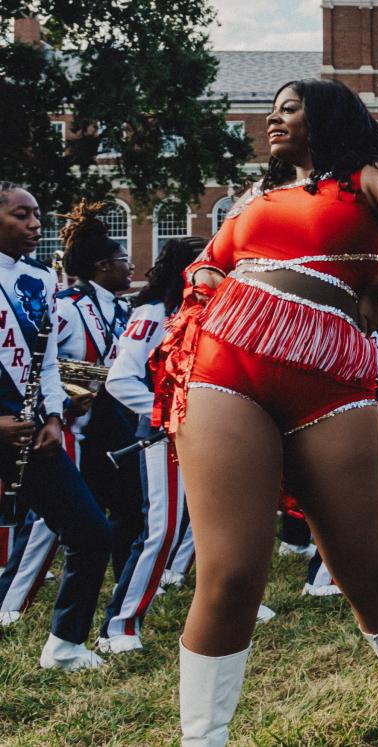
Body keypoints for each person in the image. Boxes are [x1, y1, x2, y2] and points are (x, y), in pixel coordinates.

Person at [156, 80, 378, 742]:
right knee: (230, 573)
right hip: (228, 362)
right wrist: (207, 286)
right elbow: (207, 263)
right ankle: (202, 738)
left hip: (332, 369)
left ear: (329, 115)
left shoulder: (369, 176)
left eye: (291, 107)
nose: (274, 117)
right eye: (273, 108)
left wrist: (377, 286)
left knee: (369, 561)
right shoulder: (259, 196)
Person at [0, 182, 113, 672]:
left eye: (37, 215)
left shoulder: (41, 279)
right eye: (20, 215)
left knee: (91, 532)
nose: (34, 225)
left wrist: (50, 415)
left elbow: (45, 362)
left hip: (30, 429)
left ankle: (65, 644)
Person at [97, 235, 209, 652]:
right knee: (160, 532)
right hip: (166, 436)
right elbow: (120, 379)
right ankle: (118, 626)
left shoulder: (203, 309)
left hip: (205, 434)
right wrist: (171, 413)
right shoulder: (152, 312)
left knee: (212, 527)